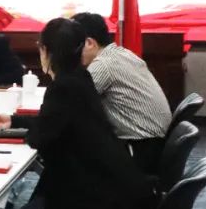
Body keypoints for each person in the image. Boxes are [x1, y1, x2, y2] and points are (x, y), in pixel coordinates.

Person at [0, 18, 154, 209]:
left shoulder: (62, 87)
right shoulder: (80, 77)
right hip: (112, 181)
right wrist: (15, 120)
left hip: (93, 196)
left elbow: (42, 138)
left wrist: (22, 132)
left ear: (47, 51)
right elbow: (58, 122)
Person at [72, 12, 172, 173]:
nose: (71, 53)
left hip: (140, 151)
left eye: (73, 46)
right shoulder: (121, 53)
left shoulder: (103, 65)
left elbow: (70, 103)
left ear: (89, 43)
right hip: (153, 145)